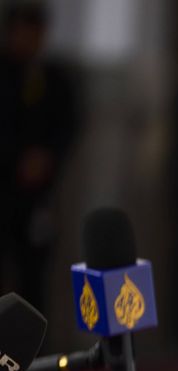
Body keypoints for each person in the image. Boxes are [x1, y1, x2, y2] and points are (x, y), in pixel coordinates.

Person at [0, 1, 78, 312]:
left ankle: (34, 354)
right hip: (4, 186)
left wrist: (45, 158)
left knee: (34, 277)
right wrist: (16, 158)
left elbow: (68, 124)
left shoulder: (54, 77)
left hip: (37, 196)